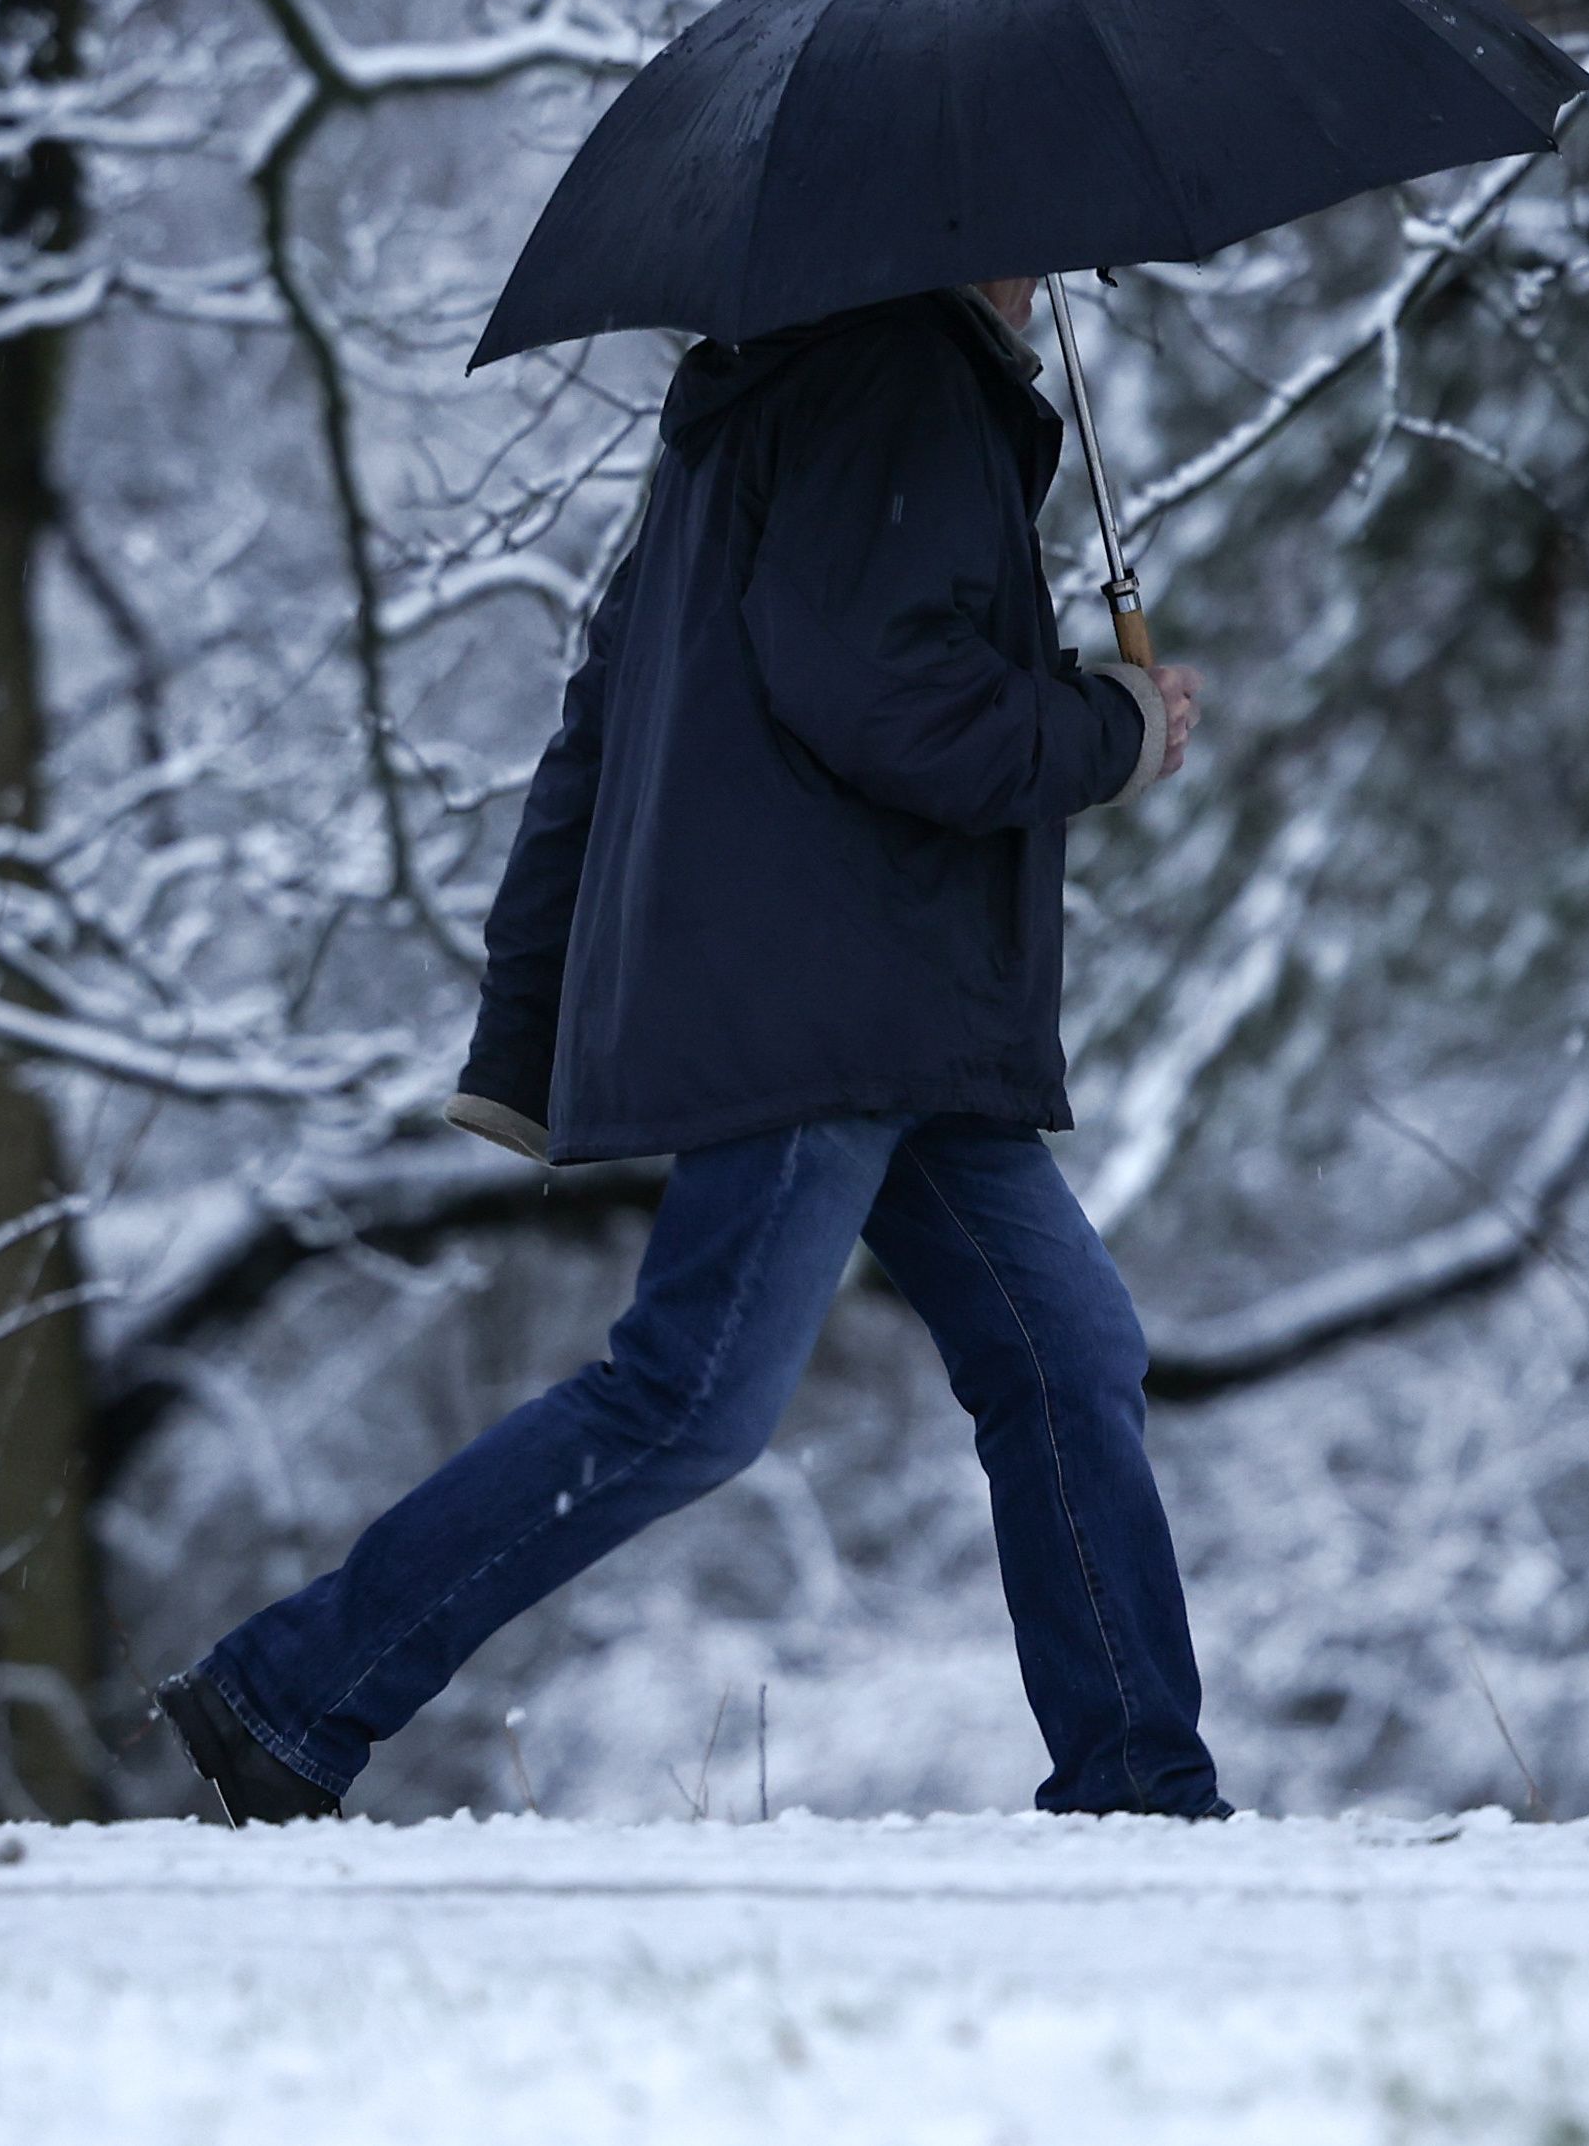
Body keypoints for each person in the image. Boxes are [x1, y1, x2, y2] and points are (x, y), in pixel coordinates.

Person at [153, 274, 1227, 1822]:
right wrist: (1111, 726)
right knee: (691, 1396)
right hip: (828, 995)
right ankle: (291, 1689)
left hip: (901, 1010)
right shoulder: (894, 384)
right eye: (1052, 242)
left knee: (1069, 1356)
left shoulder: (778, 391)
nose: (1062, 270)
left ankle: (1142, 1784)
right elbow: (898, 704)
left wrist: (527, 1015)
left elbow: (608, 702)